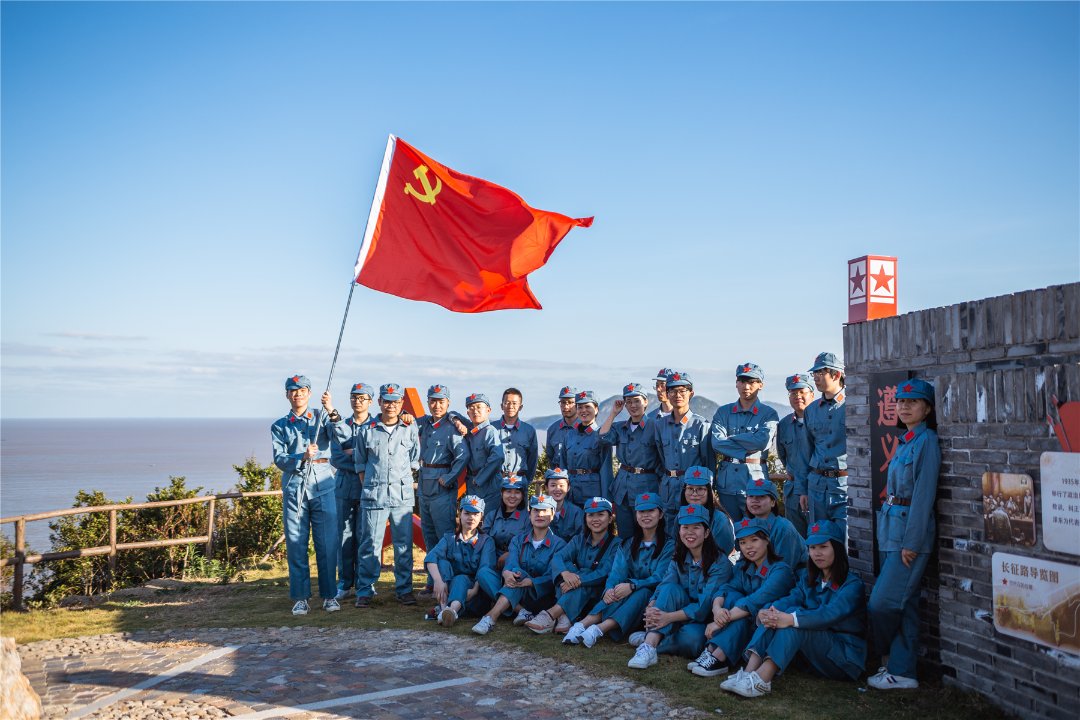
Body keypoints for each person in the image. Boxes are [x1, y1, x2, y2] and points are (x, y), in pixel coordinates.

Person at [720, 520, 866, 698]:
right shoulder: (809, 578)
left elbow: (828, 615)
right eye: (812, 548)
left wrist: (790, 619)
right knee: (778, 613)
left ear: (836, 548)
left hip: (844, 658)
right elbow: (793, 597)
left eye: (823, 547)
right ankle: (749, 672)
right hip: (814, 654)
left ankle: (762, 680)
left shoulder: (852, 585)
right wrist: (768, 611)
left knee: (793, 622)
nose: (817, 553)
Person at [868, 378, 940, 691]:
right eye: (900, 402)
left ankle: (882, 656)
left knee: (882, 603)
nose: (904, 407)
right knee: (905, 605)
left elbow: (924, 494)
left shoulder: (927, 442)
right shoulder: (906, 440)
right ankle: (902, 670)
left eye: (913, 402)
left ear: (927, 408)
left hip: (909, 535)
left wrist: (912, 541)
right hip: (891, 529)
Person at [686, 518, 796, 677]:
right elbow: (726, 588)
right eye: (743, 542)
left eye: (754, 540)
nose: (748, 546)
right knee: (732, 596)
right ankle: (712, 651)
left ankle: (718, 656)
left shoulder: (781, 571)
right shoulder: (745, 566)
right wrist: (717, 609)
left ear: (767, 540)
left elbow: (755, 601)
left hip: (766, 630)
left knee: (743, 607)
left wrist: (719, 622)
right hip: (746, 623)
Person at [626, 504, 732, 669]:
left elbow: (704, 607)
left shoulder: (720, 563)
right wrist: (652, 604)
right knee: (669, 589)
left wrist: (667, 618)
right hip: (677, 611)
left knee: (694, 641)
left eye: (696, 528)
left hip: (703, 620)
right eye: (685, 527)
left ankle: (654, 639)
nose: (689, 532)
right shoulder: (679, 557)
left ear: (706, 533)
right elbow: (666, 583)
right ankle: (649, 646)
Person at [564, 492, 674, 648]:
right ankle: (581, 625)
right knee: (616, 588)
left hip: (654, 598)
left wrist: (632, 585)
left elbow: (660, 577)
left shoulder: (669, 545)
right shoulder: (628, 543)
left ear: (660, 514)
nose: (646, 515)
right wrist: (609, 589)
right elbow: (617, 572)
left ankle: (598, 630)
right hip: (627, 591)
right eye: (642, 511)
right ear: (636, 515)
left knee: (641, 592)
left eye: (651, 511)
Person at [272, 374, 343, 615]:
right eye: (293, 390)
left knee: (327, 543)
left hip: (323, 484)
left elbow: (342, 435)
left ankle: (329, 595)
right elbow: (280, 459)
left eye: (302, 390)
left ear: (309, 393)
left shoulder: (321, 418)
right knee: (296, 543)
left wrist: (330, 409)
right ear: (287, 395)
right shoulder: (280, 425)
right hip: (295, 487)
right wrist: (300, 456)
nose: (298, 394)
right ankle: (300, 597)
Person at [352, 382, 421, 607]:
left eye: (396, 401)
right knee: (369, 544)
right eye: (387, 401)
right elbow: (360, 464)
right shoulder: (366, 430)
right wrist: (371, 486)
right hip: (374, 496)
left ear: (402, 403)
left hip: (401, 497)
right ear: (380, 402)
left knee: (404, 545)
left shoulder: (410, 428)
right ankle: (365, 590)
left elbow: (414, 459)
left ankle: (404, 590)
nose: (391, 405)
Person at [472, 493, 568, 635]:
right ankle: (521, 611)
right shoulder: (518, 540)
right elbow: (511, 563)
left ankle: (490, 617)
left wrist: (531, 582)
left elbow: (552, 576)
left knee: (519, 574)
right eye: (535, 510)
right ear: (530, 514)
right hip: (516, 589)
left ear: (553, 514)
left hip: (540, 597)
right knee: (485, 573)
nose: (540, 514)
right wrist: (507, 573)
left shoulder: (559, 544)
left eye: (545, 511)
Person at [526, 497, 619, 635]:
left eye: (601, 514)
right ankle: (564, 618)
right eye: (590, 515)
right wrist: (565, 572)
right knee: (565, 570)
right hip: (573, 590)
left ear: (610, 518)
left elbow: (605, 572)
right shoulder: (578, 539)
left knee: (581, 584)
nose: (595, 519)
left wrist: (578, 580)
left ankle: (550, 615)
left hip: (598, 593)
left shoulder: (617, 544)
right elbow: (558, 557)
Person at [416, 384, 470, 596]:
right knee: (429, 536)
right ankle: (432, 581)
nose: (436, 405)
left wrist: (448, 478)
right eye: (433, 401)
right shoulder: (425, 424)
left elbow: (462, 455)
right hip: (424, 485)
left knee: (444, 537)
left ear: (447, 403)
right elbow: (406, 419)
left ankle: (446, 580)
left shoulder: (452, 426)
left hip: (441, 487)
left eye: (441, 401)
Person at [710, 363, 780, 523]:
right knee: (730, 528)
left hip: (755, 479)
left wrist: (731, 439)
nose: (746, 386)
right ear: (736, 383)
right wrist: (747, 445)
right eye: (742, 381)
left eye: (752, 382)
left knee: (758, 528)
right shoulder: (723, 412)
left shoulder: (768, 413)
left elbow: (762, 442)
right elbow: (717, 443)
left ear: (760, 385)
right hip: (727, 482)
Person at [329, 381, 375, 601]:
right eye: (354, 397)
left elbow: (377, 458)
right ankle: (345, 583)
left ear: (370, 401)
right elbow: (336, 457)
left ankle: (366, 583)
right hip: (344, 488)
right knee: (344, 539)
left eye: (362, 398)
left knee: (366, 538)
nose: (357, 401)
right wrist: (361, 461)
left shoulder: (377, 425)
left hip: (368, 489)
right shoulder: (339, 424)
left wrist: (353, 454)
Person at [599, 382, 661, 538]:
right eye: (629, 402)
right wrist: (613, 413)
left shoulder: (655, 426)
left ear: (646, 402)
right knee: (625, 533)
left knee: (647, 532)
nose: (633, 405)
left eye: (637, 401)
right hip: (623, 488)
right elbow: (602, 437)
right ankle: (625, 561)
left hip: (647, 485)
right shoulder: (620, 427)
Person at [425, 495, 496, 628]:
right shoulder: (449, 538)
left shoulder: (486, 541)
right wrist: (438, 581)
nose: (471, 518)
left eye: (476, 514)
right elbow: (431, 558)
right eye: (467, 513)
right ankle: (447, 609)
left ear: (481, 517)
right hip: (451, 591)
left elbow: (485, 568)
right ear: (460, 514)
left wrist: (474, 590)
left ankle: (448, 611)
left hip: (475, 596)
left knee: (461, 579)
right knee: (442, 562)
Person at [652, 371, 712, 527]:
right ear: (668, 394)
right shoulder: (660, 425)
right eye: (672, 391)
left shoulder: (701, 425)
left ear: (691, 393)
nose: (677, 395)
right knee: (668, 528)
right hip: (668, 487)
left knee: (692, 527)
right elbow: (660, 456)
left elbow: (708, 461)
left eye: (682, 391)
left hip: (693, 489)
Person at [804, 352, 848, 535]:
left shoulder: (853, 406)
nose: (815, 378)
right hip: (817, 486)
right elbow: (806, 451)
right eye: (814, 374)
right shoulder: (811, 410)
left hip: (843, 485)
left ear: (836, 375)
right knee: (818, 538)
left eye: (820, 373)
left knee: (844, 539)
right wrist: (802, 490)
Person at [776, 373, 814, 537]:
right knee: (796, 539)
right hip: (792, 492)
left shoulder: (819, 420)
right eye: (793, 393)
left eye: (802, 392)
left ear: (811, 394)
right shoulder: (784, 425)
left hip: (815, 490)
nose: (797, 396)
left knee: (819, 538)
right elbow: (783, 456)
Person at [564, 390, 614, 506]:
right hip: (571, 492)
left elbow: (606, 470)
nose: (583, 411)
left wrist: (607, 500)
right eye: (580, 407)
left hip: (592, 492)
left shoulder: (601, 435)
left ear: (596, 409)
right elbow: (563, 464)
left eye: (587, 407)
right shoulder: (569, 435)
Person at [744, 478, 808, 568]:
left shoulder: (783, 528)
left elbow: (784, 567)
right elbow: (744, 563)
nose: (755, 500)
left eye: (761, 496)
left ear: (773, 502)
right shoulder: (748, 526)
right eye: (750, 496)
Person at [462, 393, 505, 513]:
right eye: (471, 408)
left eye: (479, 407)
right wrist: (456, 420)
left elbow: (498, 456)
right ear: (467, 413)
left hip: (489, 484)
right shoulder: (471, 432)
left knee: (488, 522)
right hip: (472, 483)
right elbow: (453, 414)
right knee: (473, 521)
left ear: (488, 410)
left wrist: (480, 478)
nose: (475, 411)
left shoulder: (489, 432)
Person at [681, 466, 736, 556]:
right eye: (690, 488)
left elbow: (723, 554)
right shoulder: (680, 516)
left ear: (709, 492)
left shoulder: (721, 520)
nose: (694, 494)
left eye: (700, 489)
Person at [482, 475, 531, 570]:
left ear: (522, 496)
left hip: (517, 562)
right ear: (501, 493)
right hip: (492, 561)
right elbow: (484, 541)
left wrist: (510, 554)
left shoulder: (528, 517)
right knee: (483, 574)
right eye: (508, 491)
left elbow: (528, 543)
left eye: (517, 492)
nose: (512, 496)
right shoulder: (492, 516)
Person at [494, 388, 539, 486]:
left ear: (520, 407)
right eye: (507, 403)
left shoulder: (529, 430)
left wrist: (527, 481)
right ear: (502, 406)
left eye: (514, 403)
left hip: (519, 482)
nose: (510, 406)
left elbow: (532, 459)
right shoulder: (491, 428)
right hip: (495, 482)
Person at [543, 467, 585, 540]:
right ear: (546, 488)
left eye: (561, 485)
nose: (557, 489)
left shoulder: (576, 512)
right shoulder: (540, 511)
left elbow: (581, 538)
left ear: (568, 487)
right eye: (553, 485)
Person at [546, 386, 579, 471]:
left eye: (570, 402)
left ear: (578, 404)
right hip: (560, 479)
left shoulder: (585, 428)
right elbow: (550, 457)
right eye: (563, 402)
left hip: (581, 479)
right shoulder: (553, 430)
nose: (566, 406)